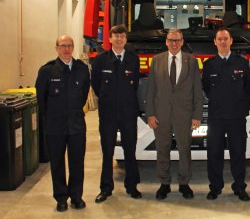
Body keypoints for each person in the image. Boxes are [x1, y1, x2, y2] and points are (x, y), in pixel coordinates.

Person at [145, 28, 203, 200]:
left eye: (177, 40)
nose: (174, 43)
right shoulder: (156, 60)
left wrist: (197, 115)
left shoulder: (191, 61)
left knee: (184, 149)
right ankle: (164, 184)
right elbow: (151, 90)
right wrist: (150, 114)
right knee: (162, 149)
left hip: (184, 114)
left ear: (182, 42)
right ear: (166, 42)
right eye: (171, 40)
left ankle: (184, 183)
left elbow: (197, 91)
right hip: (161, 114)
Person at [35, 35, 90, 212]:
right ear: (57, 48)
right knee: (57, 164)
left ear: (73, 47)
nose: (66, 49)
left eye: (69, 45)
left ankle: (76, 196)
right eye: (63, 45)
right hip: (55, 127)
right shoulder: (47, 71)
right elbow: (41, 100)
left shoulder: (82, 69)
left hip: (76, 125)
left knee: (77, 163)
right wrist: (52, 118)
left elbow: (83, 95)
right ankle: (61, 198)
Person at [91, 25, 141, 203]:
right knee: (107, 151)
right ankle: (106, 188)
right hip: (108, 113)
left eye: (122, 36)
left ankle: (132, 186)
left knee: (130, 150)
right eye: (115, 36)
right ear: (110, 39)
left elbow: (134, 86)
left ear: (126, 39)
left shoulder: (133, 59)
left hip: (128, 113)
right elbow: (96, 85)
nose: (119, 39)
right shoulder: (100, 60)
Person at [202, 28, 250, 201]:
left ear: (231, 41)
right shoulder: (209, 65)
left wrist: (241, 110)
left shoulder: (242, 63)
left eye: (226, 39)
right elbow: (206, 88)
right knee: (214, 153)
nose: (223, 42)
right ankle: (215, 187)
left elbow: (247, 88)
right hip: (216, 117)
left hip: (236, 117)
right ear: (215, 42)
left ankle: (239, 187)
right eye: (219, 39)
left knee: (238, 152)